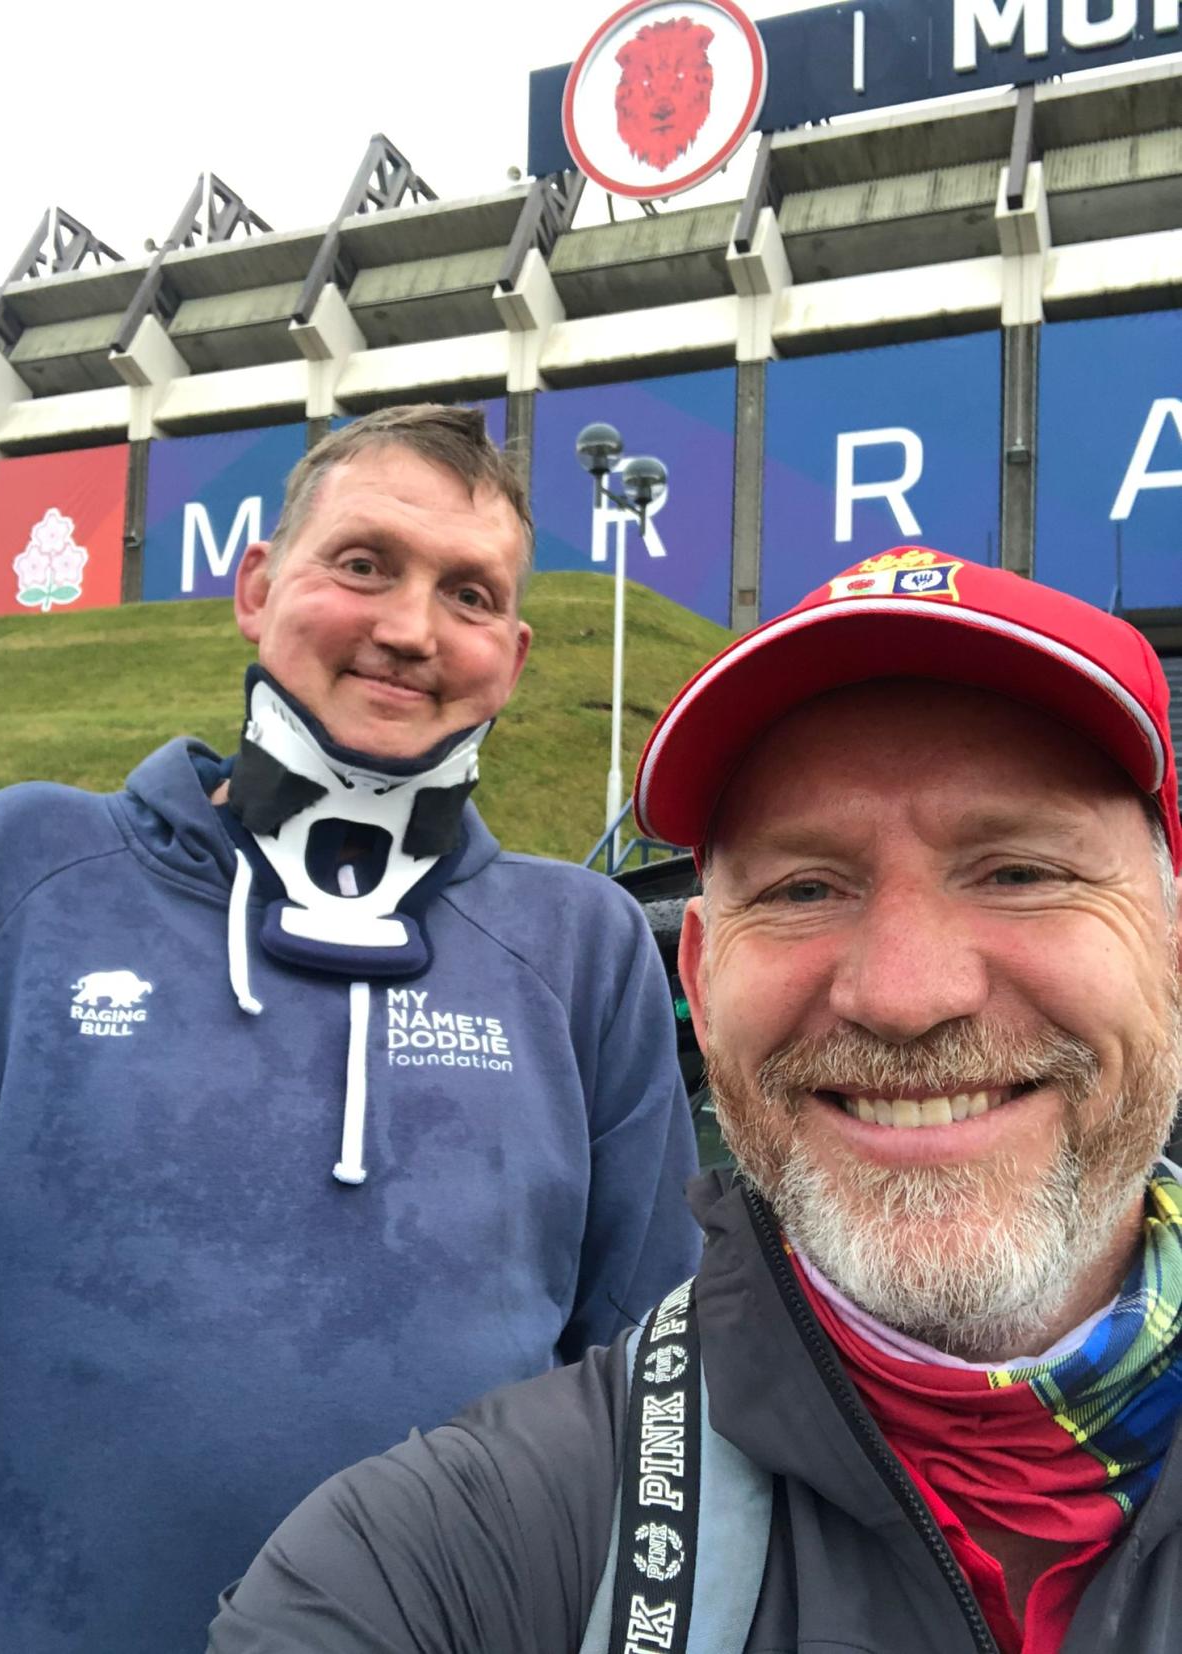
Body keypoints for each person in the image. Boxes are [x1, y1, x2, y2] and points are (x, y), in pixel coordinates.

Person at [209, 545, 1182, 1654]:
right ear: (704, 984)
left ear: (1172, 943)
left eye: (1019, 870)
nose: (907, 997)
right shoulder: (435, 1559)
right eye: (805, 888)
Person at [0, 404, 701, 1654]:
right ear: (256, 586)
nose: (408, 629)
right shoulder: (25, 865)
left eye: (465, 594)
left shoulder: (581, 944)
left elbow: (649, 1387)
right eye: (363, 564)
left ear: (509, 658)